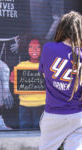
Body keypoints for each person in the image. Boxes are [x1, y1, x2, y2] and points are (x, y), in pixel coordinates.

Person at [39, 11, 82, 150]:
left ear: (61, 28)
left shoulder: (48, 48)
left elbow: (45, 76)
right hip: (78, 116)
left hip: (53, 114)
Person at [10, 39, 45, 129]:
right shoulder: (22, 65)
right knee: (24, 130)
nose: (34, 50)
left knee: (39, 131)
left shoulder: (45, 66)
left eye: (38, 47)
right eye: (31, 47)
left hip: (41, 105)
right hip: (25, 105)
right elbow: (12, 79)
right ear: (26, 49)